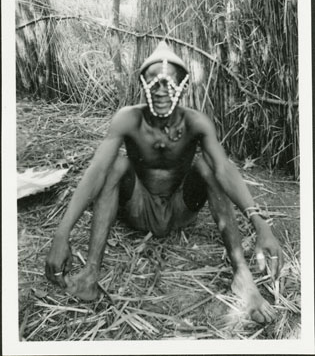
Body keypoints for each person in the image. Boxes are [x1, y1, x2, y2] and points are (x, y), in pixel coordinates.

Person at [45, 42, 283, 324]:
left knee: (206, 165)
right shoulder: (128, 120)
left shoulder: (197, 123)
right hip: (138, 209)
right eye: (154, 82)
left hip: (179, 210)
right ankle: (91, 274)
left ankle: (242, 275)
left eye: (170, 83)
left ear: (183, 87)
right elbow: (96, 171)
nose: (161, 90)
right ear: (142, 84)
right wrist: (61, 235)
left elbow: (224, 169)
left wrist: (260, 222)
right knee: (116, 166)